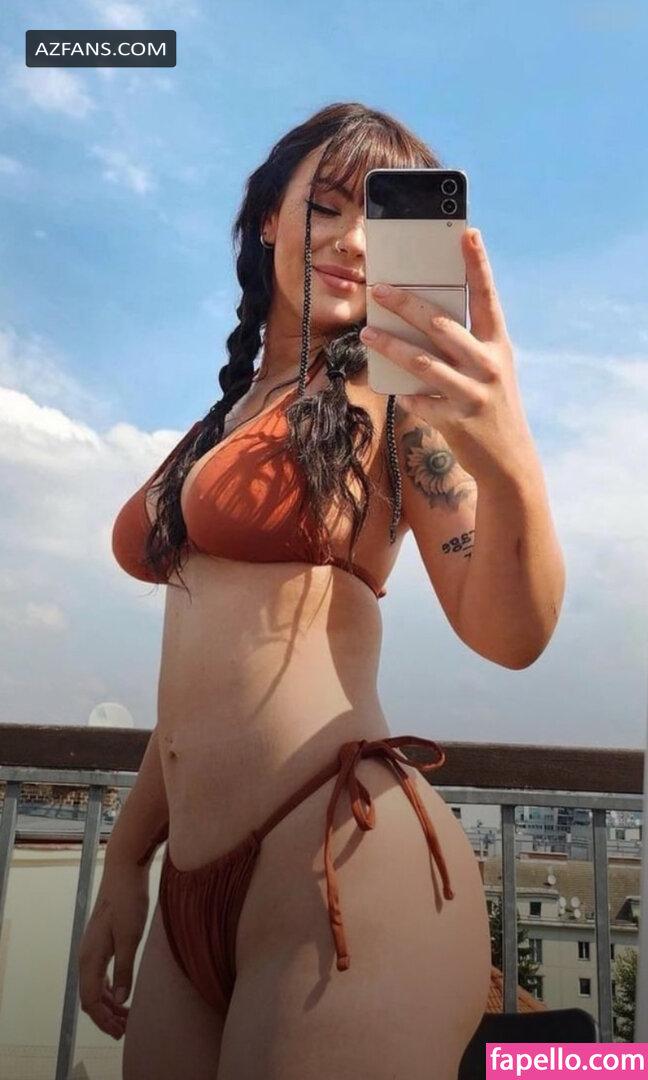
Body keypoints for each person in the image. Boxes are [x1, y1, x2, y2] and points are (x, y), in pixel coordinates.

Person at [78, 102, 565, 1080]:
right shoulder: (226, 417)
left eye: (385, 223)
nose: (354, 242)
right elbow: (197, 681)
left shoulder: (399, 405)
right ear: (270, 218)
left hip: (338, 861)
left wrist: (511, 462)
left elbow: (510, 634)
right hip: (191, 889)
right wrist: (127, 860)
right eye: (329, 205)